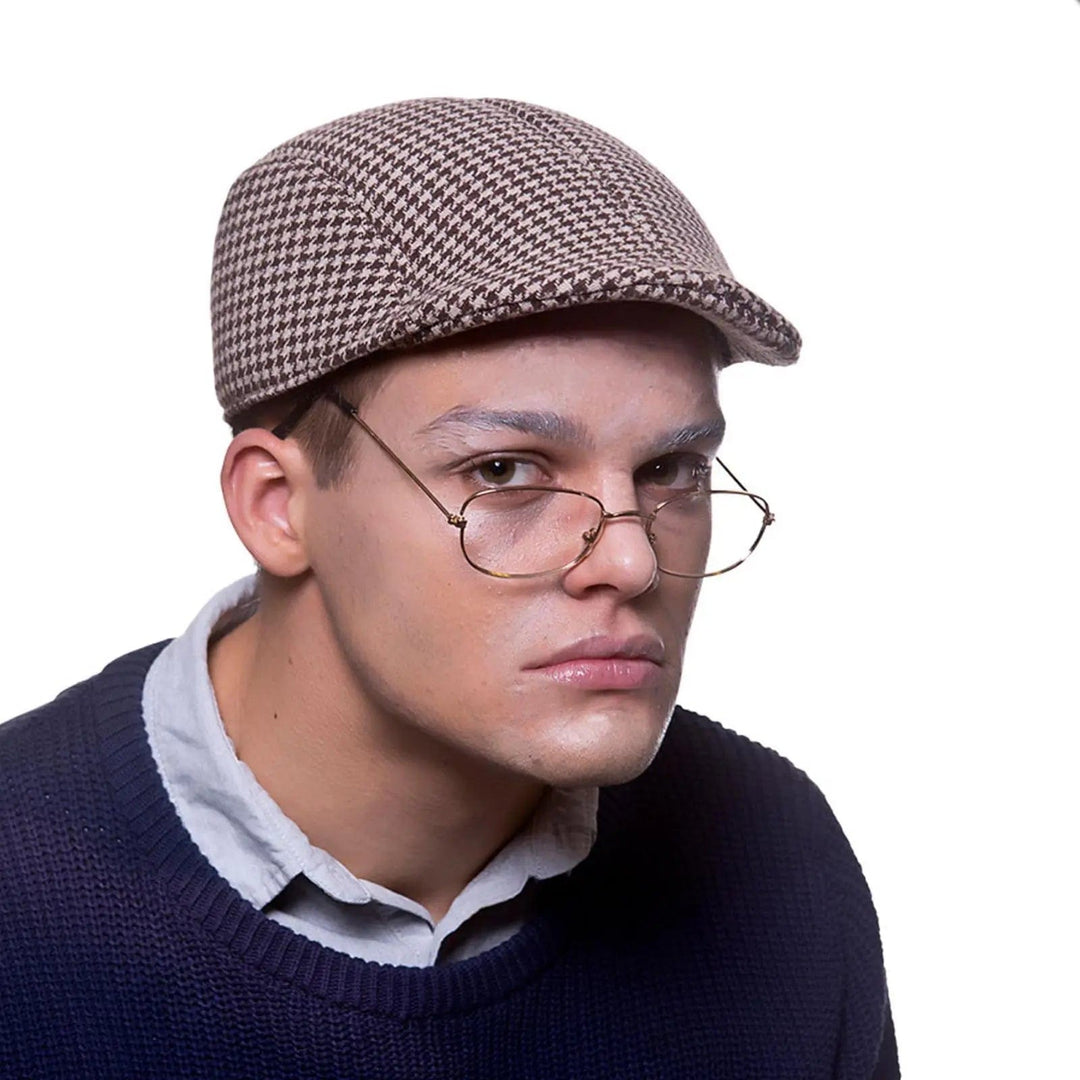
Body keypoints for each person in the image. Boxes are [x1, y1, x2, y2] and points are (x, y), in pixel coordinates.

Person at [0, 97, 899, 1078]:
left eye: (670, 471)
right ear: (276, 506)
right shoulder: (26, 900)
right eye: (506, 472)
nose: (631, 561)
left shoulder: (771, 863)